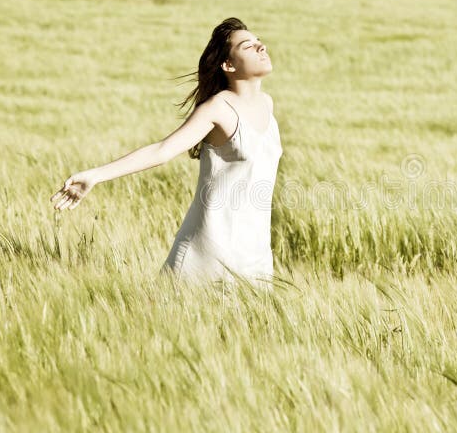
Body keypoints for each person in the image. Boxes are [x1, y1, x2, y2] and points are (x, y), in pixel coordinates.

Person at [49, 17, 283, 289]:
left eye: (258, 41)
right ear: (228, 65)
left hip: (256, 252)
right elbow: (162, 150)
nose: (260, 46)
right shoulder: (218, 109)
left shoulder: (267, 104)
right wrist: (96, 176)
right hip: (212, 250)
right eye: (247, 45)